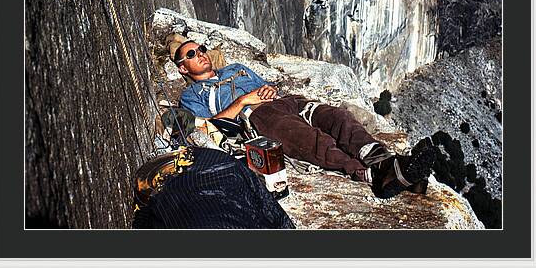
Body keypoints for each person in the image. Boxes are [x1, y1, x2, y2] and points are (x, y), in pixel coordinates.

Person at [174, 40, 436, 199]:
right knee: (308, 138)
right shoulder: (192, 95)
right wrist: (243, 101)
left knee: (338, 118)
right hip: (256, 116)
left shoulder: (236, 69)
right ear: (183, 68)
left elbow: (267, 86)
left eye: (201, 49)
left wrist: (269, 90)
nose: (200, 54)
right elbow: (208, 127)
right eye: (191, 54)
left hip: (287, 101)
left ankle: (383, 160)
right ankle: (376, 175)